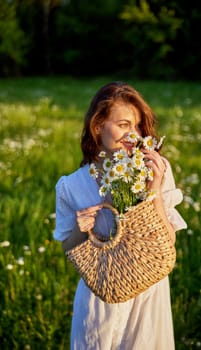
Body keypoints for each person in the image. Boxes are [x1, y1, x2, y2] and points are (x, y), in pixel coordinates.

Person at [54, 81, 187, 350]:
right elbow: (67, 246)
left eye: (138, 126)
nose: (134, 135)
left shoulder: (154, 170)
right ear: (98, 125)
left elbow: (168, 240)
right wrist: (81, 229)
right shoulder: (72, 185)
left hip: (149, 295)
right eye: (124, 125)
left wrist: (155, 192)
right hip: (100, 297)